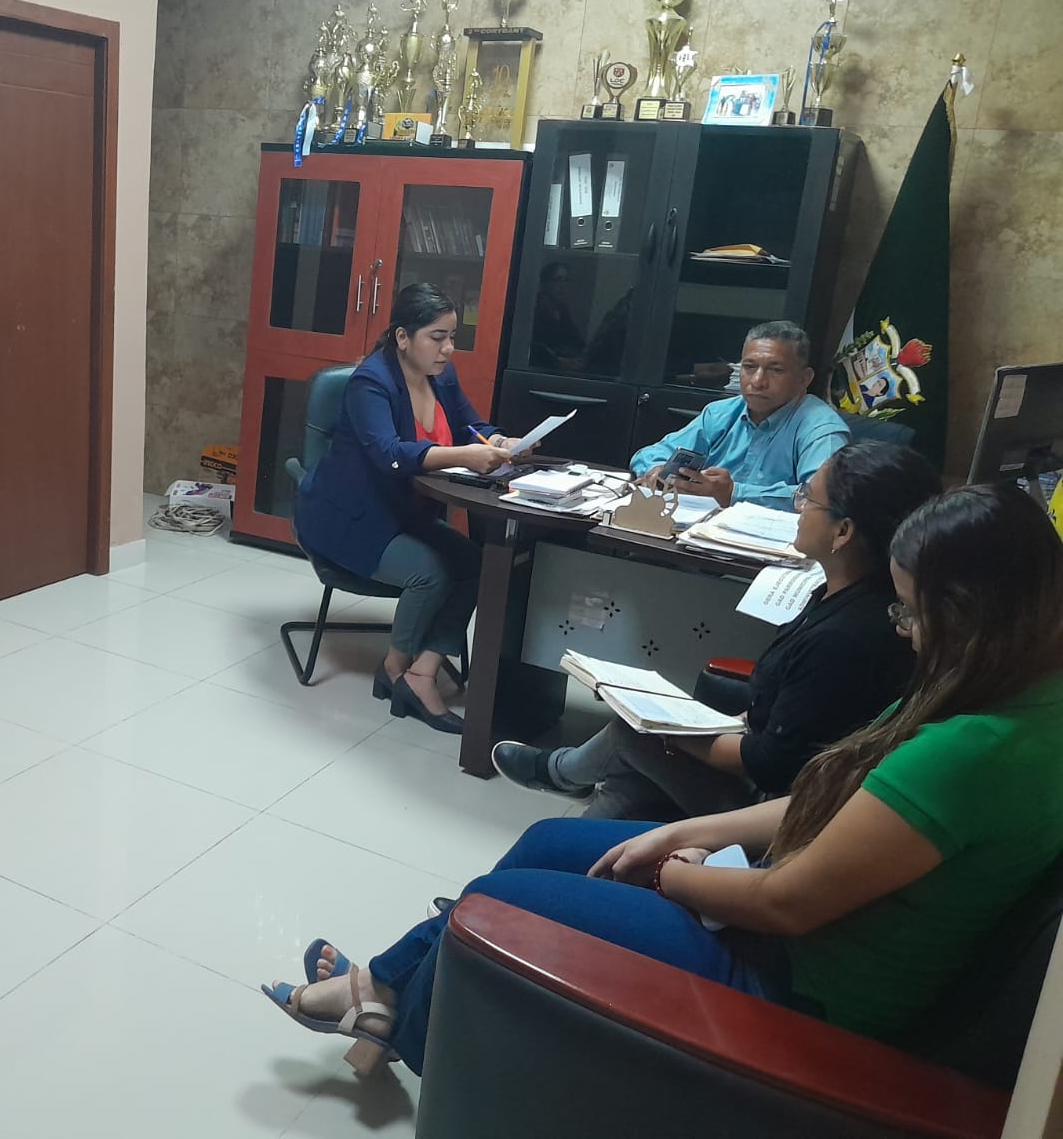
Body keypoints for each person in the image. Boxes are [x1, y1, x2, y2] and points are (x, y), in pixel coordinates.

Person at [264, 484, 1063, 1076]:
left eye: (913, 612)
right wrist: (687, 831)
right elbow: (837, 800)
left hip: (794, 980)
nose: (907, 632)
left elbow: (786, 905)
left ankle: (402, 1026)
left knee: (495, 903)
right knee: (546, 841)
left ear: (970, 612)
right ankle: (384, 993)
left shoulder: (975, 749)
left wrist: (675, 875)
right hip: (783, 902)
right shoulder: (1015, 688)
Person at [492, 441, 942, 818]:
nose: (799, 508)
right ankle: (575, 849)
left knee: (634, 733)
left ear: (843, 532)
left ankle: (562, 775)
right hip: (763, 757)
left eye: (809, 498)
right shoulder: (841, 592)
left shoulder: (845, 638)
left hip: (770, 807)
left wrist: (666, 729)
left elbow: (771, 766)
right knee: (628, 779)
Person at [293, 283, 539, 734]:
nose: (448, 349)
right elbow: (389, 454)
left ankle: (423, 671)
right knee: (431, 574)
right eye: (437, 337)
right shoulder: (371, 382)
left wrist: (502, 441)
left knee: (477, 565)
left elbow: (471, 425)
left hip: (402, 511)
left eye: (452, 337)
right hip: (348, 518)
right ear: (403, 337)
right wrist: (465, 456)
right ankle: (393, 668)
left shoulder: (441, 375)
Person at [632, 321, 849, 510]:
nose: (758, 381)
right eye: (749, 367)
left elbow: (821, 499)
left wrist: (734, 493)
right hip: (699, 528)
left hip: (772, 539)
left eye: (775, 370)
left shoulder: (821, 428)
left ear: (804, 379)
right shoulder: (720, 413)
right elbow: (649, 454)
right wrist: (656, 469)